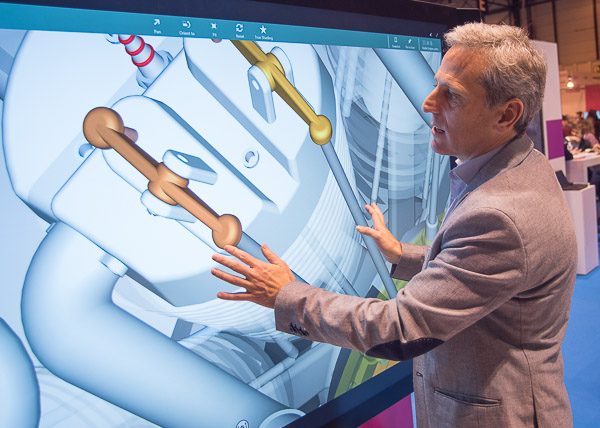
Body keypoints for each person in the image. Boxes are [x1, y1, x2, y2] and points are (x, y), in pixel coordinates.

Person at [211, 22, 577, 427]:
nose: (428, 102)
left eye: (452, 95)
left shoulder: (500, 215)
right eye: (436, 85)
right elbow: (478, 269)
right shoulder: (520, 166)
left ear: (507, 114)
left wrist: (286, 296)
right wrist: (403, 254)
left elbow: (399, 329)